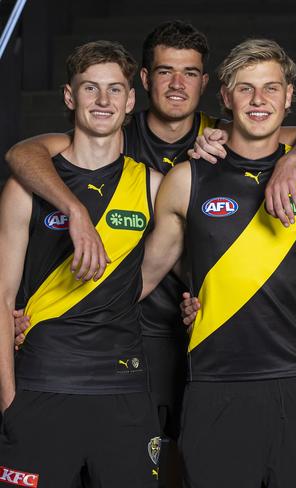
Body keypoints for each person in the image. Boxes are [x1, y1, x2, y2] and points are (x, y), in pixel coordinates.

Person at [7, 20, 296, 488]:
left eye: (189, 73)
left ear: (207, 86)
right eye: (165, 72)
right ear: (142, 84)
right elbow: (24, 153)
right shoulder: (115, 132)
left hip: (195, 334)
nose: (177, 84)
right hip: (128, 335)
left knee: (181, 459)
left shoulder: (223, 136)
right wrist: (43, 311)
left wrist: (291, 161)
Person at [139, 38, 296, 488]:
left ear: (290, 96)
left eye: (272, 88)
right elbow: (143, 277)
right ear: (225, 96)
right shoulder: (186, 179)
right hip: (215, 386)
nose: (259, 101)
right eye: (246, 89)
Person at [0, 41, 162, 487]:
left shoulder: (154, 187)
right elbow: (1, 296)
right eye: (90, 88)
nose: (104, 101)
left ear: (131, 100)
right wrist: (10, 398)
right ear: (70, 97)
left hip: (124, 390)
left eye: (115, 90)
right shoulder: (25, 188)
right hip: (41, 385)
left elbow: (179, 267)